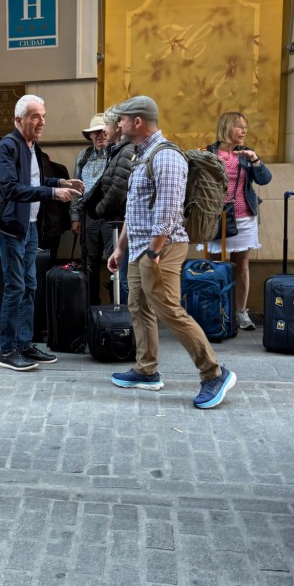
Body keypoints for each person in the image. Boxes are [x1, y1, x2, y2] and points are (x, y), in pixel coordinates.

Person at [106, 95, 236, 410]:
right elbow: (134, 209)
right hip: (140, 247)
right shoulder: (141, 155)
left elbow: (167, 213)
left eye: (122, 119)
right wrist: (121, 247)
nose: (119, 125)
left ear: (138, 121)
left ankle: (214, 373)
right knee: (139, 307)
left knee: (169, 311)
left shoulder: (166, 156)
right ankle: (146, 370)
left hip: (160, 248)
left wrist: (153, 253)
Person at [0, 94, 83, 371]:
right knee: (15, 287)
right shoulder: (7, 147)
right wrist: (52, 193)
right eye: (35, 116)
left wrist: (60, 181)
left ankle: (25, 344)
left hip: (30, 226)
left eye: (43, 116)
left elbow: (35, 180)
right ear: (19, 120)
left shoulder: (32, 146)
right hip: (12, 228)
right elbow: (10, 188)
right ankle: (7, 350)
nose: (41, 122)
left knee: (29, 286)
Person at [205, 112, 272, 330]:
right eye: (239, 126)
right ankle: (215, 310)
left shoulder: (246, 154)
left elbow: (265, 179)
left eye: (245, 127)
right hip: (216, 216)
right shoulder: (209, 153)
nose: (244, 131)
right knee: (214, 265)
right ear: (226, 127)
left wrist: (255, 159)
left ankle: (241, 313)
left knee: (241, 266)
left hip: (244, 217)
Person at [93, 105, 135, 303]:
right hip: (117, 222)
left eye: (106, 125)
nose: (104, 130)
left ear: (117, 127)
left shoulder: (126, 151)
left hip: (121, 223)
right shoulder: (117, 150)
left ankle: (127, 319)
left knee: (124, 280)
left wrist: (99, 209)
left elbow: (118, 190)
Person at [70, 115, 110, 305]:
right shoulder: (84, 156)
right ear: (90, 136)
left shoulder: (118, 154)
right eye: (95, 132)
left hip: (112, 216)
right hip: (89, 216)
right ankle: (91, 306)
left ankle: (117, 310)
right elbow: (75, 188)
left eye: (103, 131)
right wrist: (75, 217)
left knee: (116, 260)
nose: (100, 135)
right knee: (89, 262)